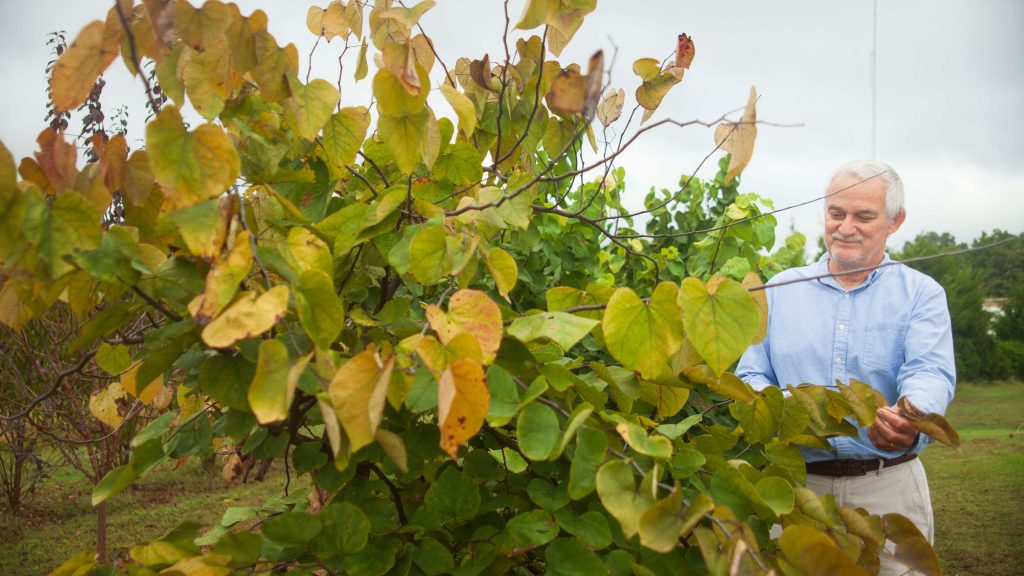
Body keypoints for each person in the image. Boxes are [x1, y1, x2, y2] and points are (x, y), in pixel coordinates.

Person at [735, 159, 955, 575]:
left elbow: (930, 371)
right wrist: (792, 409)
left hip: (889, 488)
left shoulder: (921, 294)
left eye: (863, 216)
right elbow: (750, 376)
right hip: (799, 490)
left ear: (895, 221)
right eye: (836, 213)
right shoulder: (780, 290)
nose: (845, 226)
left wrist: (912, 415)